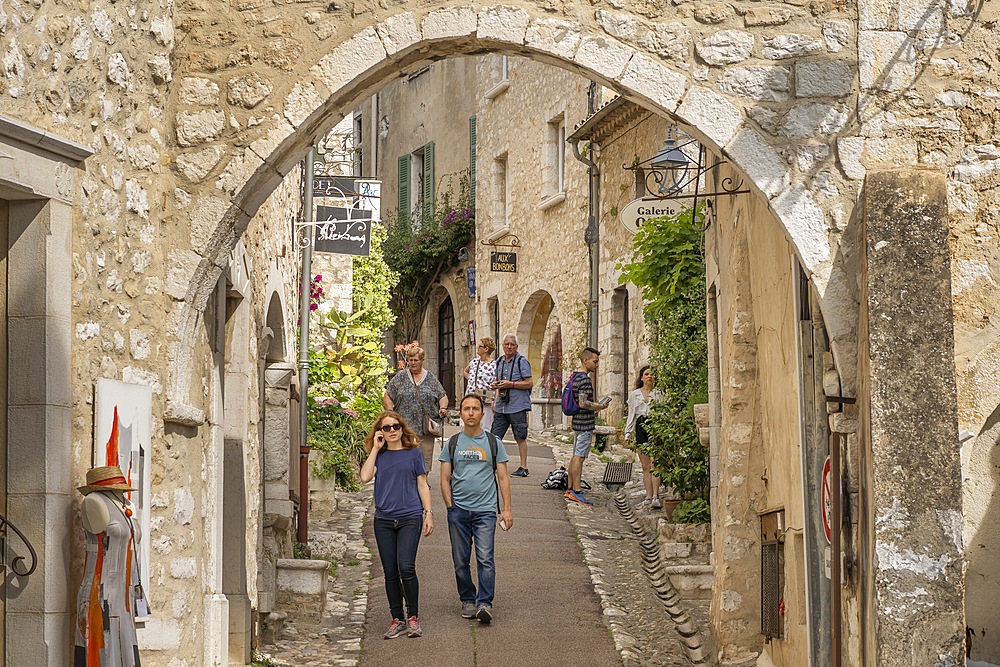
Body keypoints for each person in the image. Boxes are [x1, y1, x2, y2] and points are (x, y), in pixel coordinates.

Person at [360, 411, 434, 639]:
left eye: (395, 427)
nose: (391, 431)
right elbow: (364, 477)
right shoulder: (379, 456)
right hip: (383, 520)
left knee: (406, 567)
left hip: (410, 517)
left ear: (402, 429)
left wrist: (429, 513)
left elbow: (423, 485)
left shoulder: (414, 454)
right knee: (390, 572)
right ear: (380, 432)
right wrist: (374, 448)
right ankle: (397, 619)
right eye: (386, 428)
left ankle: (413, 617)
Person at [440, 394, 513, 624]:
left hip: (485, 511)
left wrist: (507, 509)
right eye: (466, 409)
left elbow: (502, 477)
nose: (470, 413)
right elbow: (444, 478)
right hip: (459, 511)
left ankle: (484, 603)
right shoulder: (452, 444)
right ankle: (468, 599)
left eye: (475, 409)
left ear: (482, 413)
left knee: (485, 558)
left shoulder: (493, 443)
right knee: (460, 560)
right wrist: (450, 506)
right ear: (460, 414)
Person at [75, 465, 146, 667]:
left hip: (124, 594)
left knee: (124, 652)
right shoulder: (93, 502)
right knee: (102, 651)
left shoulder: (125, 504)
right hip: (100, 591)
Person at [383, 346, 448, 472]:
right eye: (410, 360)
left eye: (416, 360)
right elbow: (388, 395)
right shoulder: (401, 377)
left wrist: (443, 407)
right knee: (405, 455)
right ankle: (409, 480)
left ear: (422, 360)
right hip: (404, 426)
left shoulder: (430, 378)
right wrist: (390, 413)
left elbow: (442, 396)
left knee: (425, 456)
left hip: (425, 426)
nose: (412, 363)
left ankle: (422, 482)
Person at [565, 347, 610, 506]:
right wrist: (600, 406)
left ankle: (570, 488)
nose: (597, 365)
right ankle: (576, 491)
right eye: (595, 361)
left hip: (577, 421)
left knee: (575, 455)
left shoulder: (574, 376)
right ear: (586, 360)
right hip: (584, 423)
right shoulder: (584, 379)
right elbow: (584, 403)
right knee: (579, 456)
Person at [490, 334, 533, 477]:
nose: (509, 347)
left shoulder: (522, 361)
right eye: (506, 344)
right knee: (494, 436)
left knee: (520, 437)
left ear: (516, 347)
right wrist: (495, 387)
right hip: (502, 405)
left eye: (512, 345)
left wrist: (511, 384)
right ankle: (492, 465)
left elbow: (529, 383)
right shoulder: (499, 361)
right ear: (502, 346)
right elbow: (497, 381)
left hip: (517, 405)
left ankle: (523, 467)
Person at [624, 365, 665, 509]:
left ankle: (655, 496)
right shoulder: (635, 394)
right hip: (641, 426)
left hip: (655, 426)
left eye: (652, 374)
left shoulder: (659, 393)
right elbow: (632, 415)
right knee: (645, 465)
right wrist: (628, 433)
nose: (650, 376)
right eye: (647, 374)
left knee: (655, 464)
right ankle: (648, 496)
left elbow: (664, 412)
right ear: (641, 377)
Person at [464, 336, 497, 431]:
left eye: (480, 346)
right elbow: (465, 371)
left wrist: (495, 400)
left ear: (486, 349)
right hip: (471, 397)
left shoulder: (494, 365)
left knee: (485, 427)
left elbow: (497, 382)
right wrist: (471, 380)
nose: (477, 348)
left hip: (486, 400)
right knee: (468, 426)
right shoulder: (474, 362)